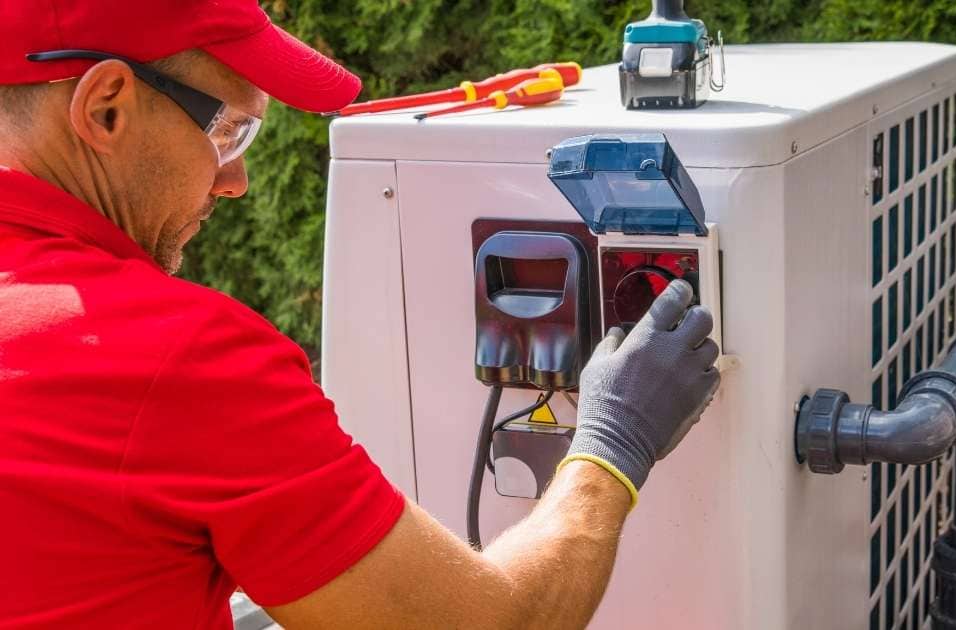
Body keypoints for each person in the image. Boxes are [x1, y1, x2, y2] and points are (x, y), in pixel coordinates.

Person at [0, 1, 721, 628]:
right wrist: (611, 445)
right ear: (105, 108)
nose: (236, 182)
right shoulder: (175, 357)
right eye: (227, 133)